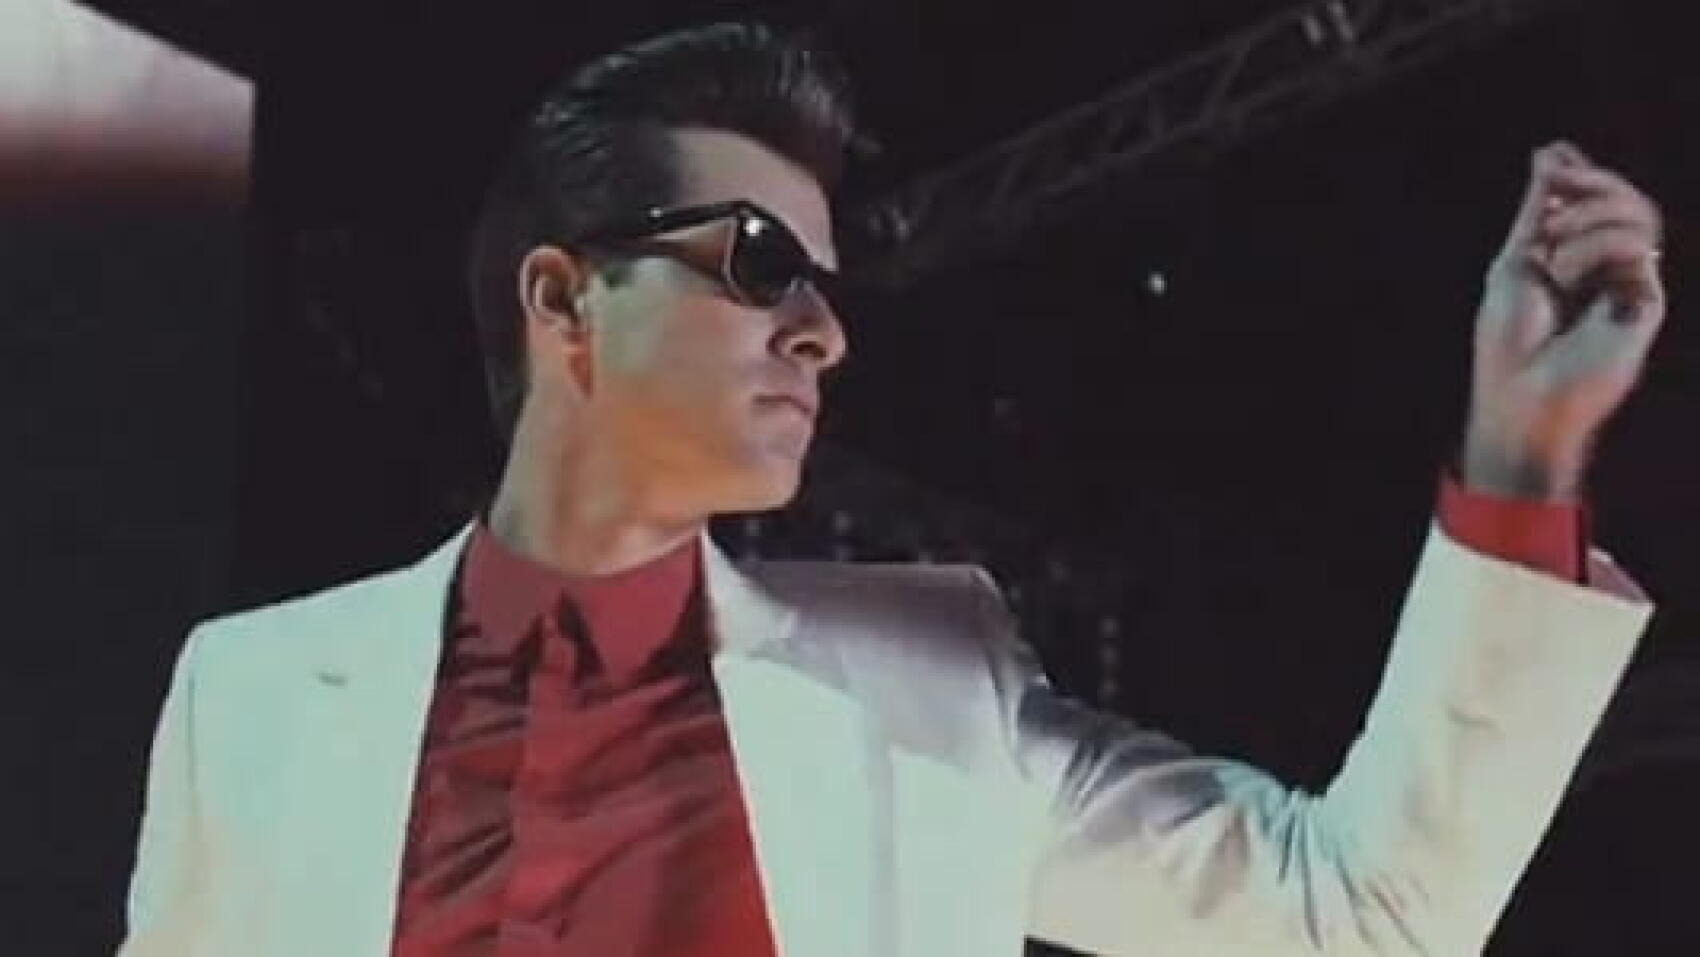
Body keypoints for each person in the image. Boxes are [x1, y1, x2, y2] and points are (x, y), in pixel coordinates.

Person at [117, 21, 1664, 957]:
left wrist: (1522, 454)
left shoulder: (928, 689)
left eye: (826, 282)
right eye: (759, 262)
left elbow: (1359, 920)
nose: (823, 329)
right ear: (565, 300)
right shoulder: (249, 696)